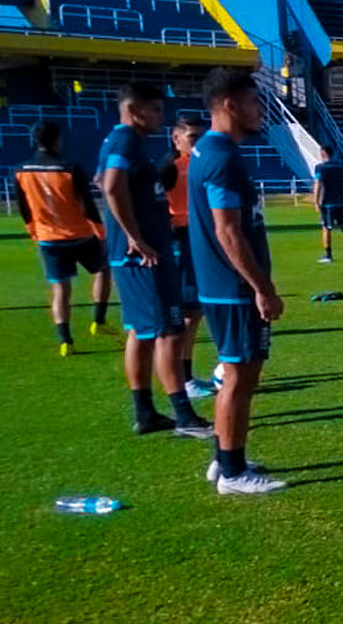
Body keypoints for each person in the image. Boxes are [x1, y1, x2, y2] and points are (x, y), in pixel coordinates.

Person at [188, 67, 287, 494]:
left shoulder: (209, 151)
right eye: (252, 102)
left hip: (223, 286)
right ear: (229, 105)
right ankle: (233, 474)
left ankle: (224, 458)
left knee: (233, 373)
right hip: (233, 289)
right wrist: (262, 287)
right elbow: (228, 231)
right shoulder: (221, 157)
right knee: (240, 378)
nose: (259, 110)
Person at [99, 82, 211, 438]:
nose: (161, 118)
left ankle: (145, 411)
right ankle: (183, 414)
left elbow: (106, 179)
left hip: (135, 254)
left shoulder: (124, 144)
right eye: (156, 110)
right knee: (167, 331)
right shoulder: (124, 142)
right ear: (135, 111)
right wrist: (136, 236)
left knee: (142, 332)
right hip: (142, 256)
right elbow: (111, 184)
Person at [12, 120, 112, 356]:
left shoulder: (20, 170)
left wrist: (33, 231)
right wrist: (101, 232)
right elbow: (87, 205)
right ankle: (99, 320)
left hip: (48, 237)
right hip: (81, 235)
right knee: (103, 271)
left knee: (60, 289)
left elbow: (23, 206)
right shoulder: (70, 168)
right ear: (57, 139)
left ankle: (65, 340)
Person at [157, 114, 214, 398]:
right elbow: (154, 207)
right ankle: (184, 380)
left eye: (201, 137)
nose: (198, 143)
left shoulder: (203, 163)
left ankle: (186, 377)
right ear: (175, 138)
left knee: (195, 311)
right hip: (181, 241)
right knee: (188, 313)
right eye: (192, 137)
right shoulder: (169, 167)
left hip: (202, 240)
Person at [313, 145, 343, 263]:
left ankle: (328, 255)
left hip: (328, 203)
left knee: (326, 228)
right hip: (340, 202)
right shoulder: (342, 166)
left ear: (323, 154)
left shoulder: (320, 168)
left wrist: (316, 201)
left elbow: (318, 184)